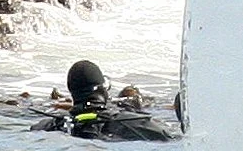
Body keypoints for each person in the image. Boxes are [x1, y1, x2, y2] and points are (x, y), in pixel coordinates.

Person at [34, 59, 175, 141]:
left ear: (72, 93)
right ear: (103, 91)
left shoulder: (48, 125)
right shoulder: (133, 123)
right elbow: (168, 137)